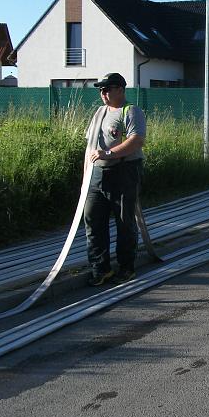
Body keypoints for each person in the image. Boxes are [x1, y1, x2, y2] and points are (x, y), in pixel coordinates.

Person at [83, 72, 147, 285]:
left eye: (107, 89)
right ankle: (100, 269)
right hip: (98, 174)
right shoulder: (100, 113)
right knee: (93, 221)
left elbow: (136, 140)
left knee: (124, 222)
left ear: (120, 89)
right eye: (101, 90)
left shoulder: (131, 111)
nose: (103, 93)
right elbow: (90, 143)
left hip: (124, 172)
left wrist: (108, 153)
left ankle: (126, 268)